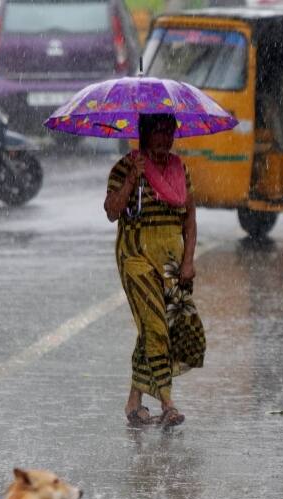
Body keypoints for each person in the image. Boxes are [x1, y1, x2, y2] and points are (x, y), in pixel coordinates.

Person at [104, 113, 206, 427]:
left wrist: (188, 261)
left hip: (172, 262)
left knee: (162, 328)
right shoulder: (125, 166)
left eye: (168, 132)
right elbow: (111, 211)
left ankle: (134, 402)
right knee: (156, 327)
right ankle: (167, 402)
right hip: (135, 257)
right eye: (157, 132)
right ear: (144, 134)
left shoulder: (180, 169)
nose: (163, 139)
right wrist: (132, 179)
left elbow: (189, 219)